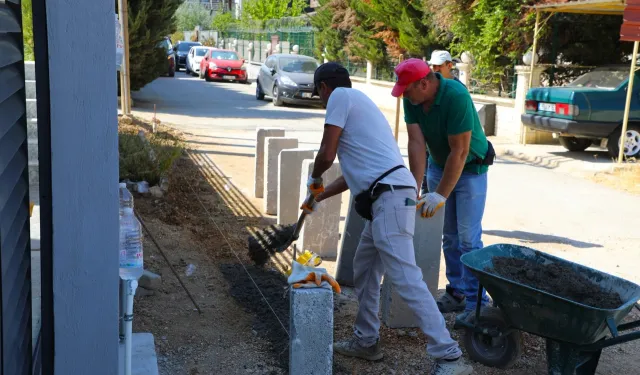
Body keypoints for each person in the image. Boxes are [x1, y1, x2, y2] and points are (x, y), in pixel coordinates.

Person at [305, 62, 472, 375]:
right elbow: (356, 176)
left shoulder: (340, 97)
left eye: (319, 95)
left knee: (406, 277)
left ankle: (449, 356)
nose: (322, 101)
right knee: (365, 269)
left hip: (390, 198)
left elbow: (326, 155)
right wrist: (319, 196)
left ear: (325, 88)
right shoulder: (359, 105)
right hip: (388, 194)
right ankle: (366, 340)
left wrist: (314, 178)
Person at [392, 58, 492, 323]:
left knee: (469, 238)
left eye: (407, 89)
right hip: (438, 165)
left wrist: (440, 195)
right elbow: (415, 142)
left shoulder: (456, 96)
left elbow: (459, 152)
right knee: (448, 236)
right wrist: (414, 184)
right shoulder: (412, 99)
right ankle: (458, 292)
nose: (403, 94)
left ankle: (477, 303)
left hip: (471, 168)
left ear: (424, 83)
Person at [422, 50, 467, 195]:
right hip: (431, 149)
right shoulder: (429, 88)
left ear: (449, 65)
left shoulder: (460, 90)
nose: (435, 70)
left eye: (439, 66)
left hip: (450, 147)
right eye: (433, 66)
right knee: (427, 191)